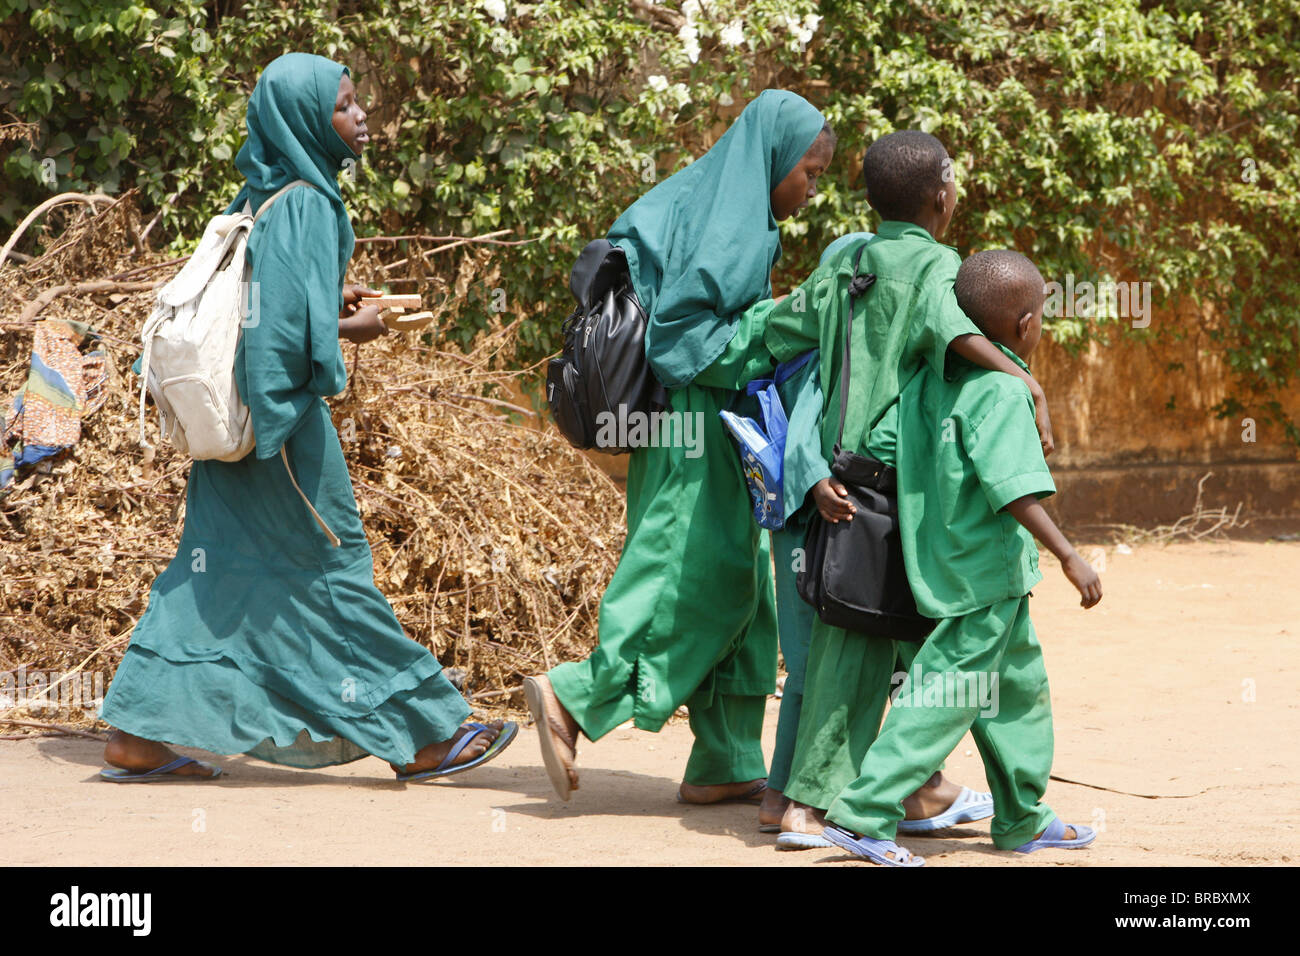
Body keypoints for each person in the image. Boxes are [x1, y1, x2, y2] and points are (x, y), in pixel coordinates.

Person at [98, 52, 515, 782]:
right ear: (304, 118)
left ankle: (139, 732)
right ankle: (423, 734)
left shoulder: (266, 191)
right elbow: (283, 336)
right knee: (335, 569)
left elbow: (270, 298)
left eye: (358, 103)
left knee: (212, 575)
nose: (361, 118)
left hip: (236, 431)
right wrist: (360, 328)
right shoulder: (312, 204)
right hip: (281, 432)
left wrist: (334, 298)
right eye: (345, 105)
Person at [524, 90, 834, 804]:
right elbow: (686, 340)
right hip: (691, 419)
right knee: (684, 569)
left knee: (743, 583)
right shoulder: (732, 222)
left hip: (703, 419)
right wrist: (787, 322)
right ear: (776, 159)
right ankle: (576, 695)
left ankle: (725, 759)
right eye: (808, 174)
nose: (811, 192)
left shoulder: (712, 201)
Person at [760, 130, 1055, 846]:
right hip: (901, 486)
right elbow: (958, 333)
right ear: (941, 197)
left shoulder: (847, 261)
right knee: (939, 652)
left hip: (840, 478)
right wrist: (1030, 382)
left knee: (851, 642)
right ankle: (860, 802)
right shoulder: (937, 267)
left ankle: (824, 801)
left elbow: (782, 329)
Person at [820, 250, 1102, 866]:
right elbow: (1015, 489)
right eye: (1044, 315)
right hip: (987, 571)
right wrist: (1069, 556)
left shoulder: (925, 382)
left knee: (1016, 692)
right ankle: (864, 812)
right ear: (1026, 325)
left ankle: (1023, 816)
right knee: (945, 692)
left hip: (943, 567)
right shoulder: (1002, 391)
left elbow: (884, 448)